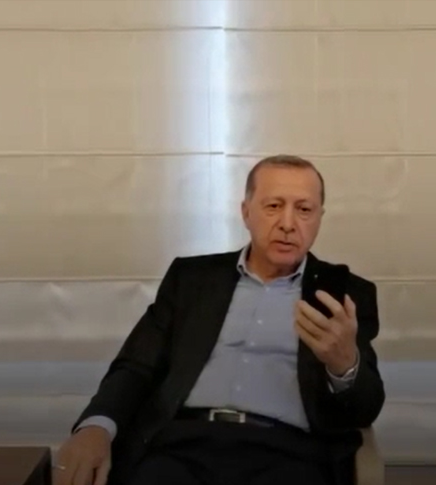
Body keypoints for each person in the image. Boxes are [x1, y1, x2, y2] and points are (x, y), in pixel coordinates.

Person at [53, 155, 385, 485]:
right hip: (179, 447)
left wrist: (345, 366)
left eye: (304, 209)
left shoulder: (343, 295)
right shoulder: (191, 280)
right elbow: (136, 367)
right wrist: (96, 427)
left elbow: (365, 409)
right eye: (273, 206)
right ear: (246, 212)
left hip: (288, 455)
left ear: (319, 218)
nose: (288, 223)